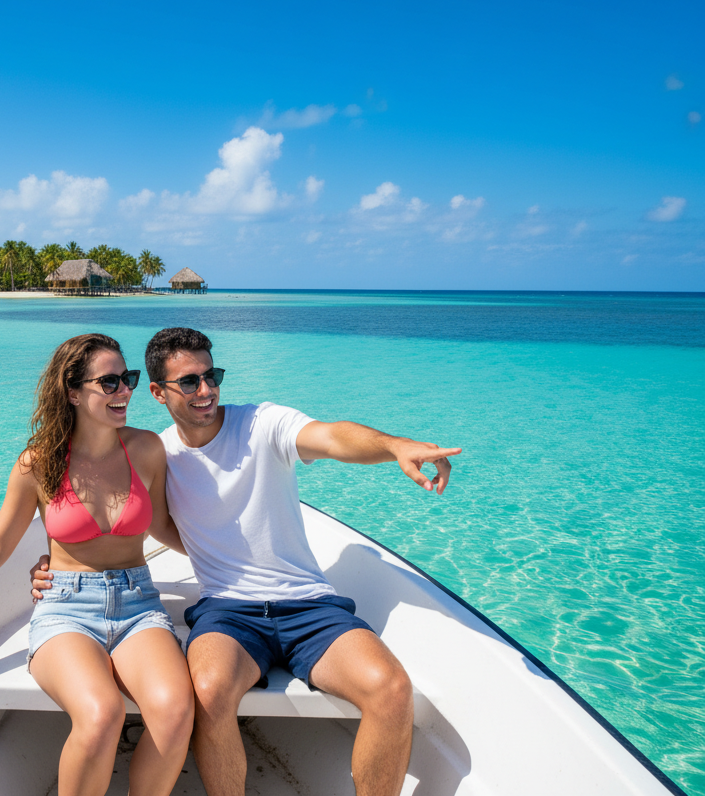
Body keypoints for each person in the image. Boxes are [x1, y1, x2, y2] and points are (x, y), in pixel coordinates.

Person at [33, 326, 460, 796]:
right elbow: (130, 519)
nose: (206, 390)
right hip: (228, 612)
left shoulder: (263, 423)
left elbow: (333, 437)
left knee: (392, 690)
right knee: (209, 692)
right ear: (157, 392)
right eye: (189, 381)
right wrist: (58, 562)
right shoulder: (156, 453)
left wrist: (394, 446)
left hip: (309, 606)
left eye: (211, 375)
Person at [0, 333, 194, 796]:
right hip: (65, 608)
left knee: (175, 710)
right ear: (73, 391)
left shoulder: (146, 449)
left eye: (128, 379)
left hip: (138, 603)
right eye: (110, 382)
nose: (125, 390)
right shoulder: (38, 463)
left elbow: (163, 526)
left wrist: (236, 557)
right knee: (102, 714)